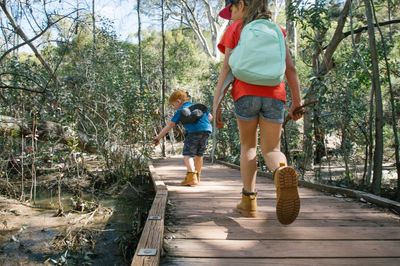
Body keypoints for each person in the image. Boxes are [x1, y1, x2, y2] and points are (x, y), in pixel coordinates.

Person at [213, 0, 303, 225]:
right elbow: (290, 69)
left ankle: (249, 201)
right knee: (272, 148)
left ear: (241, 4)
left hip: (245, 93)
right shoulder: (278, 31)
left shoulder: (235, 28)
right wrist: (296, 102)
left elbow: (226, 69)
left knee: (248, 146)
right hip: (275, 94)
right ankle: (281, 171)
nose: (230, 16)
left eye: (231, 9)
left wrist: (216, 105)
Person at [154, 90, 212, 186]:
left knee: (187, 155)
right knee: (199, 155)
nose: (173, 107)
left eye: (173, 105)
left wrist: (158, 137)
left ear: (178, 101)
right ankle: (197, 177)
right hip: (207, 130)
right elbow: (210, 117)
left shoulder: (181, 111)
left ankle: (191, 177)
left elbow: (169, 125)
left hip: (194, 132)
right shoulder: (198, 106)